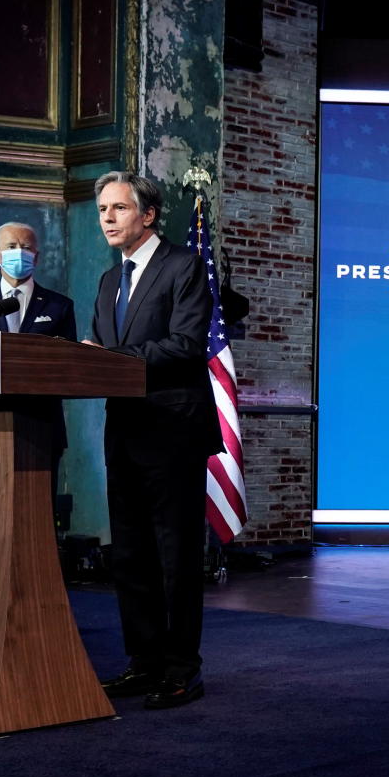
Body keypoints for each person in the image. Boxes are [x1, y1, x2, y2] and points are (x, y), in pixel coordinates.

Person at [84, 172, 222, 709]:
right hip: (124, 430)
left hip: (172, 430)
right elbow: (102, 352)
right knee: (131, 555)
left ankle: (182, 669)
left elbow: (186, 345)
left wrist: (110, 360)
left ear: (148, 215)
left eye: (119, 208)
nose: (109, 219)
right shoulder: (106, 282)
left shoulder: (183, 267)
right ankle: (143, 662)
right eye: (102, 210)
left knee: (175, 556)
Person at [0, 222, 76, 572]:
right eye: (10, 247)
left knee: (35, 525)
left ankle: (39, 613)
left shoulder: (59, 306)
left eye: (26, 247)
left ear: (37, 256)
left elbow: (67, 366)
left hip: (40, 430)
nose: (18, 254)